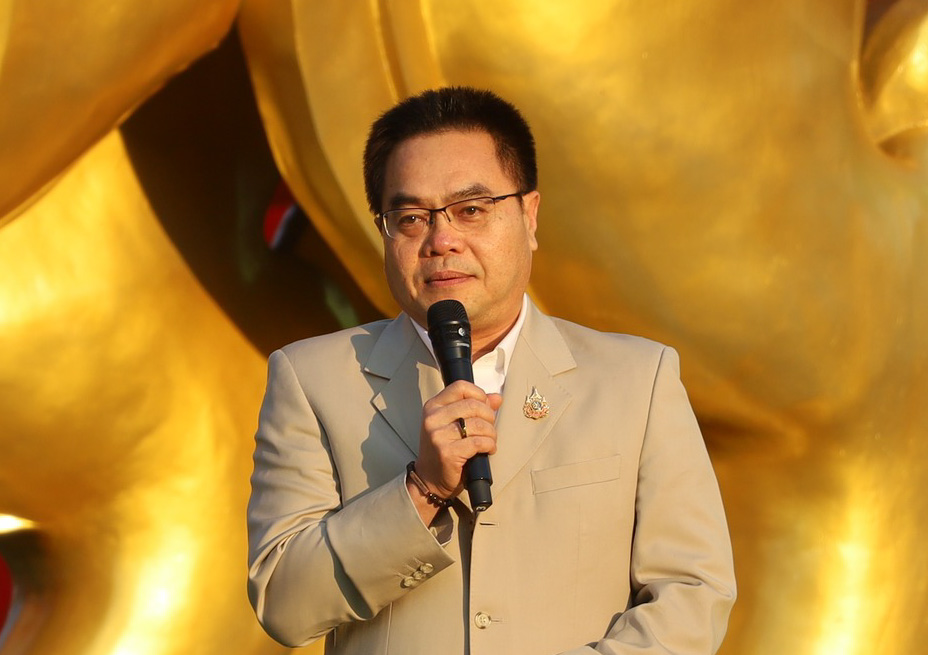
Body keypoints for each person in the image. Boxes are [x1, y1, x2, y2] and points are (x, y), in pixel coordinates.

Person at [246, 87, 736, 655]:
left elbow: (692, 594)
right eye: (411, 218)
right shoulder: (311, 379)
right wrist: (422, 490)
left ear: (530, 215)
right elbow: (283, 605)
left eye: (471, 210)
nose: (441, 240)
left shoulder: (637, 379)